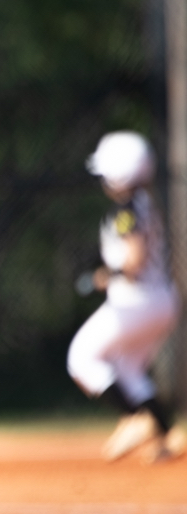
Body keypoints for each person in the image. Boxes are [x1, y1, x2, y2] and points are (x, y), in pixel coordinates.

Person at [67, 131, 184, 462]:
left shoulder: (126, 211)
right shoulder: (145, 203)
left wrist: (106, 275)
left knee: (81, 357)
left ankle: (135, 419)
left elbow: (132, 259)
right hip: (162, 300)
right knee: (130, 370)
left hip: (136, 301)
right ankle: (167, 434)